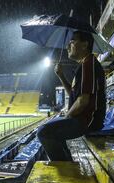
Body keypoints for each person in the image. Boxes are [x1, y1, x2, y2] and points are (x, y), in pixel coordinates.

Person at [36, 31, 106, 161]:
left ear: (85, 45)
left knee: (43, 132)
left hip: (88, 121)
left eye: (72, 42)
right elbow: (74, 96)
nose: (68, 46)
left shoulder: (88, 64)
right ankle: (66, 162)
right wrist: (61, 76)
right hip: (85, 119)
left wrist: (67, 117)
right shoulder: (85, 65)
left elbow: (82, 101)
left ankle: (64, 166)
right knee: (53, 130)